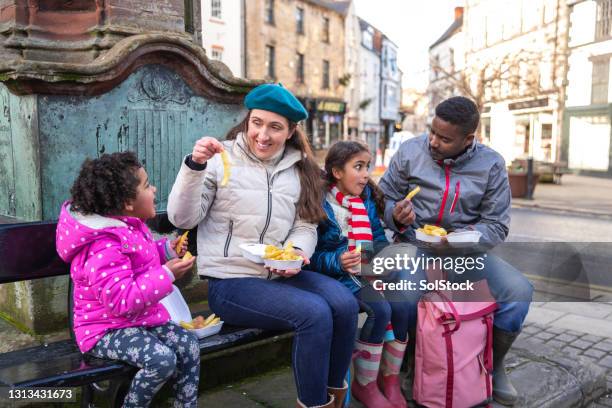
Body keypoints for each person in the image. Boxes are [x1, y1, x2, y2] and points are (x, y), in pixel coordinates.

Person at [167, 83, 359, 408]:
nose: (263, 135)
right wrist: (195, 166)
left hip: (281, 275)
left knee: (344, 304)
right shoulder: (219, 159)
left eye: (275, 127)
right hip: (231, 283)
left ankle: (331, 399)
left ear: (291, 130)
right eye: (257, 123)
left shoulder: (299, 170)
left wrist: (297, 253)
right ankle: (314, 403)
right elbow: (182, 218)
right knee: (314, 314)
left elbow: (304, 225)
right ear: (248, 121)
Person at [378, 96, 534, 406]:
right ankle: (412, 365)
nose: (433, 142)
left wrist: (466, 238)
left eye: (445, 138)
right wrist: (395, 214)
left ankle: (492, 365)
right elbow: (382, 198)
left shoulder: (490, 164)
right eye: (432, 132)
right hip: (414, 245)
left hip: (465, 253)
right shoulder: (411, 151)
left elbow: (497, 225)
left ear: (468, 139)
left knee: (518, 292)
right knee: (408, 295)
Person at [56, 152, 200, 408]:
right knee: (161, 359)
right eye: (146, 185)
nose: (154, 189)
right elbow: (121, 300)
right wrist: (167, 274)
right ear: (126, 202)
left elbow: (142, 259)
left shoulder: (129, 226)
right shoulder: (103, 246)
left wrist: (167, 251)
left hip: (138, 321)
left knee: (188, 343)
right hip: (104, 330)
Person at [306, 141, 411, 408]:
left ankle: (389, 378)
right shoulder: (320, 204)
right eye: (358, 167)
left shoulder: (365, 200)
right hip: (337, 275)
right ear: (337, 172)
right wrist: (338, 261)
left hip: (364, 268)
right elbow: (310, 255)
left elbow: (376, 238)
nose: (366, 174)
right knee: (381, 310)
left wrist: (384, 259)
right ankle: (365, 384)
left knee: (403, 302)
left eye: (367, 167)